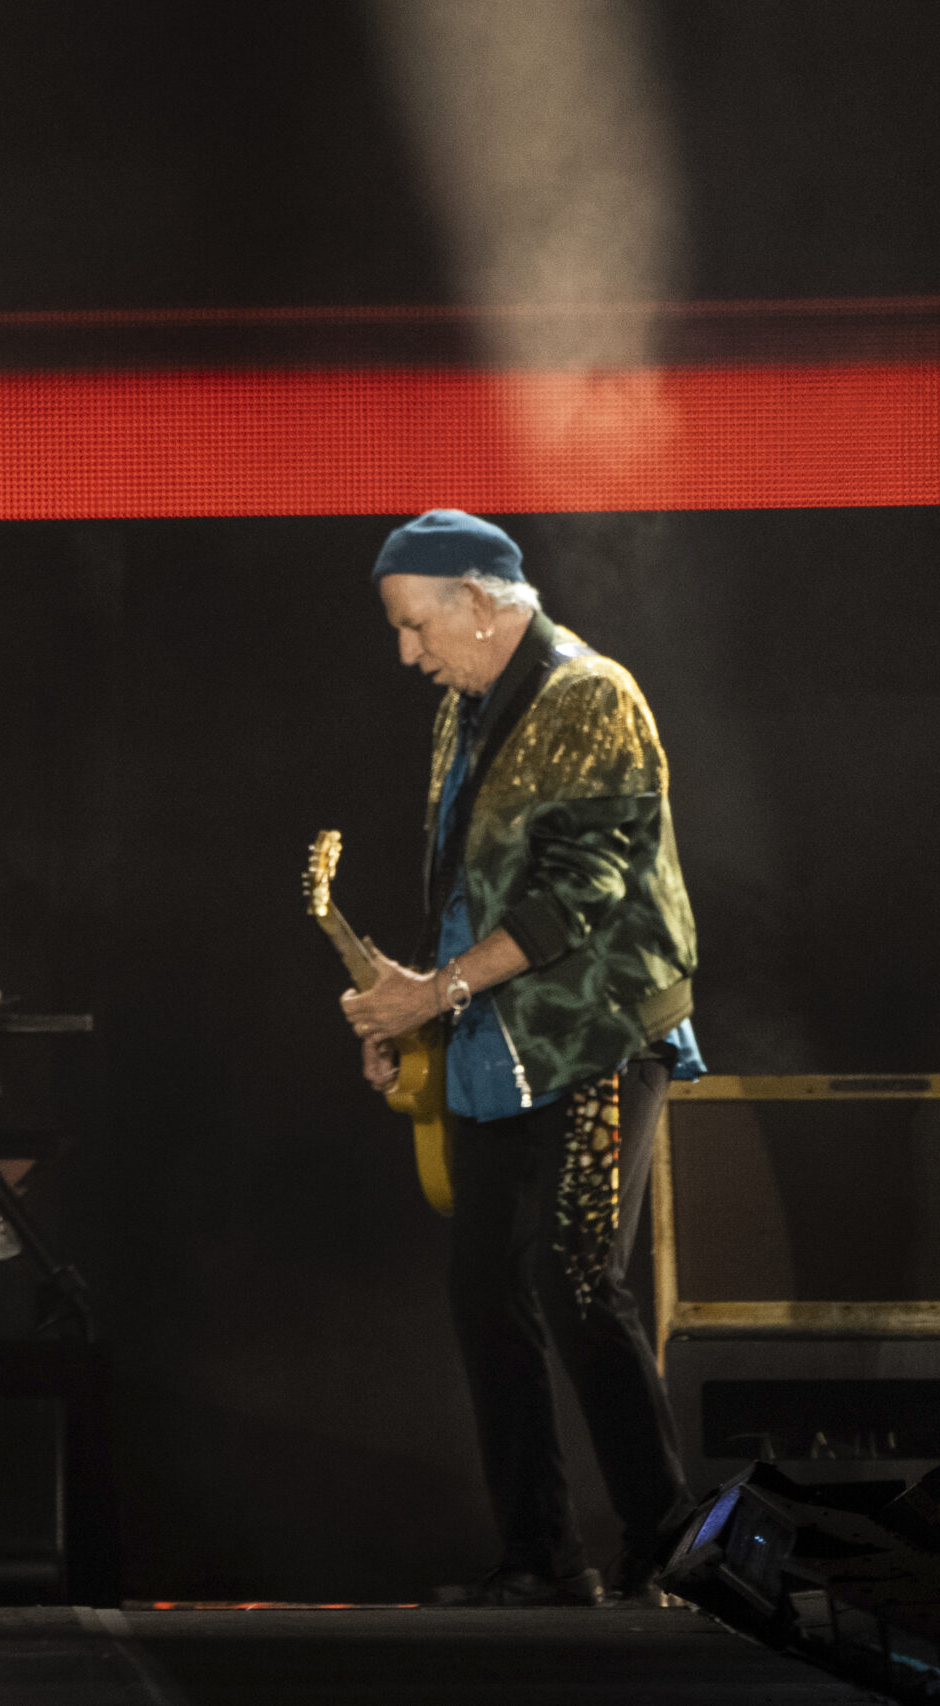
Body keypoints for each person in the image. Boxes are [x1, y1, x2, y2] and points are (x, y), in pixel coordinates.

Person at [341, 509, 700, 1608]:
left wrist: (436, 991)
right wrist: (418, 1010)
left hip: (596, 1034)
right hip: (499, 1037)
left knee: (574, 1274)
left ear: (481, 599)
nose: (408, 653)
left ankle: (667, 1541)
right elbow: (467, 896)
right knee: (482, 1286)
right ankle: (543, 1553)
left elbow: (578, 896)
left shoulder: (593, 695)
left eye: (416, 626)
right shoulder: (466, 706)